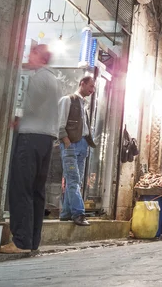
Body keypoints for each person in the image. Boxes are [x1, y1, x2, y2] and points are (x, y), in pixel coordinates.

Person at [1, 44, 61, 254]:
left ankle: (20, 242)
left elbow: (30, 106)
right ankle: (32, 242)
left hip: (30, 137)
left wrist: (17, 119)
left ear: (41, 57)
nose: (28, 57)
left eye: (32, 54)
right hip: (46, 140)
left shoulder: (39, 79)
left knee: (21, 189)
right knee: (36, 192)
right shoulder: (55, 80)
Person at [58, 76, 97, 226]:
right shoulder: (68, 100)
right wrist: (66, 140)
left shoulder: (84, 104)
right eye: (91, 86)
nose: (92, 90)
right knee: (73, 179)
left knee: (74, 180)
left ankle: (66, 213)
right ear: (82, 83)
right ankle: (78, 213)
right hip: (71, 144)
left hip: (82, 145)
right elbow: (60, 123)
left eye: (94, 88)